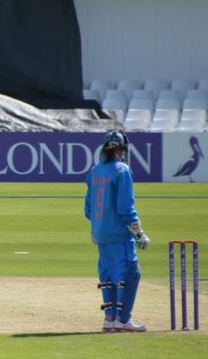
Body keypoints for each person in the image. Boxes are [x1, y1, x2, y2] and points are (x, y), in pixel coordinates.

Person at [84, 130, 150, 332]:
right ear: (122, 150)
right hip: (119, 235)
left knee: (108, 276)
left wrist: (100, 222)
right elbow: (125, 207)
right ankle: (123, 320)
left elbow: (88, 210)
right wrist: (139, 233)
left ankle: (110, 319)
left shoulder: (95, 171)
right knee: (130, 274)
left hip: (99, 233)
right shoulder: (122, 170)